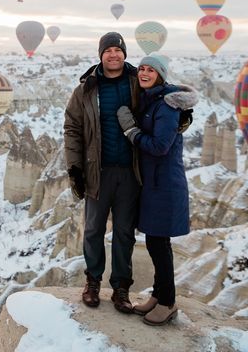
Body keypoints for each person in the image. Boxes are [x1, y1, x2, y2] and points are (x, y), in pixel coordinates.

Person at [117, 53, 198, 326]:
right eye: (141, 68)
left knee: (159, 244)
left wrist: (132, 133)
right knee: (155, 241)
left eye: (150, 70)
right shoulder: (152, 100)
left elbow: (160, 146)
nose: (143, 73)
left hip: (165, 184)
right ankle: (158, 294)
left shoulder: (166, 104)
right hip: (154, 183)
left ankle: (168, 302)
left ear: (160, 74)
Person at [64, 32, 141, 313]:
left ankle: (121, 288)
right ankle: (93, 282)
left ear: (124, 54)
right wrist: (75, 168)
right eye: (108, 50)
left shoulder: (138, 83)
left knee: (124, 232)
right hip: (99, 171)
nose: (113, 55)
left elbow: (161, 100)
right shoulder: (85, 89)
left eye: (118, 50)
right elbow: (72, 128)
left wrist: (181, 111)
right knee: (94, 229)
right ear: (100, 55)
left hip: (131, 172)